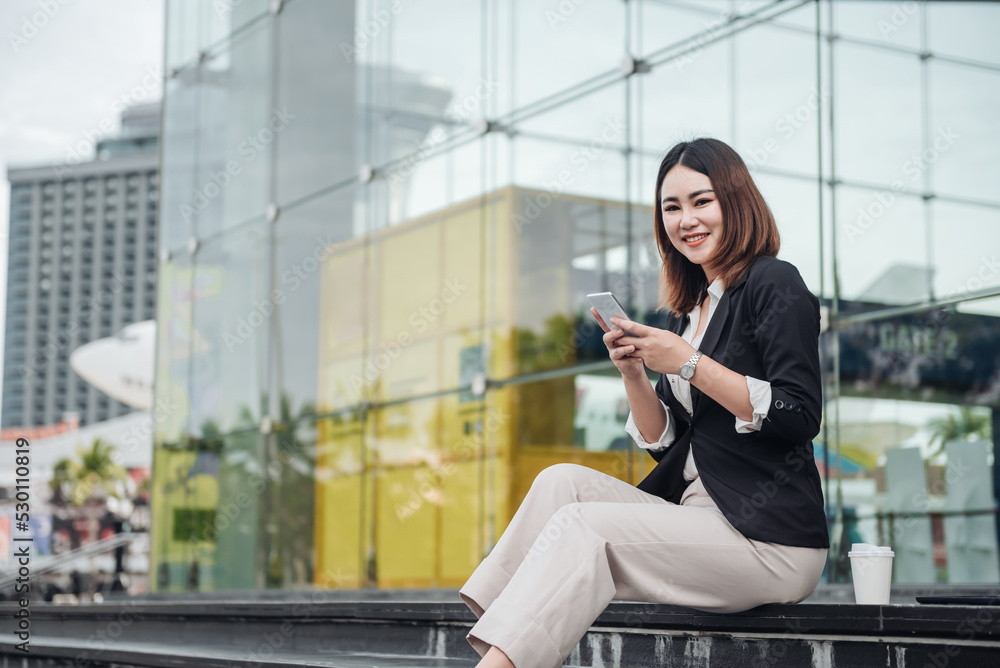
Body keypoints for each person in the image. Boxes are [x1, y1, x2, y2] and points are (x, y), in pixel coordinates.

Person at [459, 137, 830, 668]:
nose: (686, 220)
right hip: (700, 521)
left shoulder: (774, 282)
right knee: (560, 481)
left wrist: (687, 362)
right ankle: (490, 628)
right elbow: (669, 446)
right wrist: (634, 374)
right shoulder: (690, 311)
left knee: (585, 527)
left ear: (736, 200)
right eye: (671, 207)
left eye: (702, 201)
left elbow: (799, 415)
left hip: (770, 540)